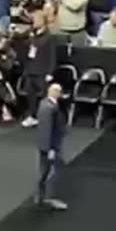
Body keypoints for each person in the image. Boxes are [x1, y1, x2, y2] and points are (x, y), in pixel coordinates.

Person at [33, 82, 69, 210]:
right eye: (59, 92)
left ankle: (40, 196)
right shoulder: (50, 108)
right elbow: (47, 130)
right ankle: (48, 197)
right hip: (50, 146)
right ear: (54, 92)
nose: (61, 94)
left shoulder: (45, 104)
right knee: (50, 171)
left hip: (46, 144)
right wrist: (51, 149)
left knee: (45, 170)